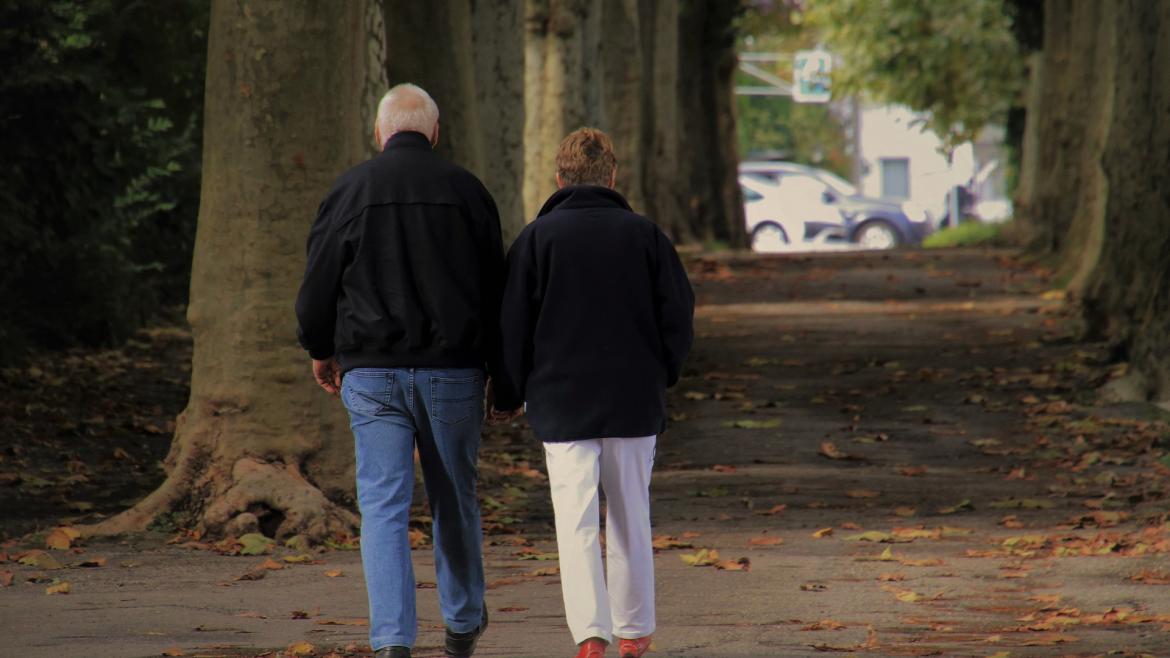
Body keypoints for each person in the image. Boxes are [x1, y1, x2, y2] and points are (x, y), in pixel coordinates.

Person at [295, 83, 503, 658]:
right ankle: (461, 625)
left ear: (380, 132)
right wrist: (504, 377)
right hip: (454, 372)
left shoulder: (350, 189)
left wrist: (320, 346)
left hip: (372, 373)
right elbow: (497, 293)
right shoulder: (468, 192)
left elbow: (317, 285)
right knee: (453, 498)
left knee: (383, 506)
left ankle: (391, 640)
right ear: (434, 132)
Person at [495, 128, 695, 658]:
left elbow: (513, 326)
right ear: (613, 177)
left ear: (559, 180)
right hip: (633, 398)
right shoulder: (646, 236)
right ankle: (635, 630)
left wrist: (509, 392)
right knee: (631, 513)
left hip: (561, 401)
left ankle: (590, 632)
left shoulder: (536, 239)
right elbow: (678, 316)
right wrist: (663, 374)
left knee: (575, 520)